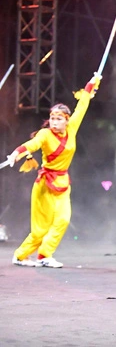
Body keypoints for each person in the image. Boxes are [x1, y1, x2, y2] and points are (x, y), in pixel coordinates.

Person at [7, 73, 101, 268]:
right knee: (39, 229)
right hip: (44, 185)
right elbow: (32, 144)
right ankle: (21, 255)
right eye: (52, 118)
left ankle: (44, 255)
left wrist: (92, 82)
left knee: (63, 219)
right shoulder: (45, 134)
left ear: (66, 120)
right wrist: (16, 153)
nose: (54, 122)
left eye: (59, 119)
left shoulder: (72, 128)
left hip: (62, 183)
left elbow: (82, 105)